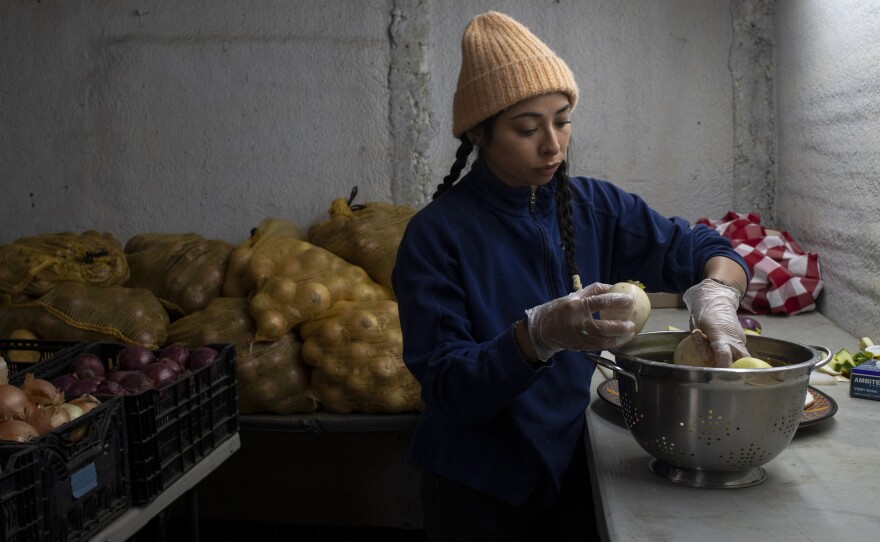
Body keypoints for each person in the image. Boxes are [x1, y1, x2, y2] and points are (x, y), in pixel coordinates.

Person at [391, 11, 750, 542]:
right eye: (527, 128)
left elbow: (702, 248)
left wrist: (718, 294)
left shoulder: (595, 207)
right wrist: (537, 336)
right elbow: (450, 389)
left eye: (562, 120)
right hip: (477, 490)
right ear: (478, 131)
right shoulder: (436, 237)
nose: (553, 146)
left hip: (568, 465)